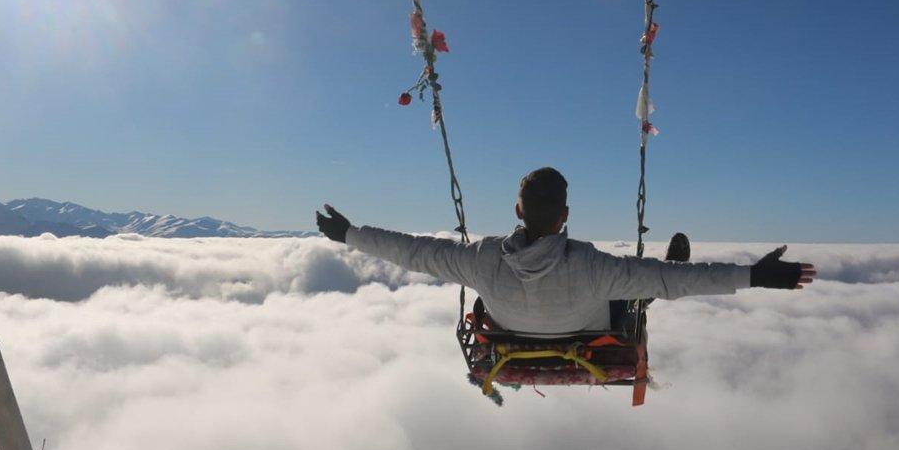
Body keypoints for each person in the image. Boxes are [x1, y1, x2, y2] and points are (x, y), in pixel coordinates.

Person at [315, 167, 816, 335]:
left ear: (517, 210)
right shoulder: (591, 265)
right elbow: (677, 282)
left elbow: (414, 252)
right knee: (646, 287)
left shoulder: (482, 259)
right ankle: (637, 296)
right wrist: (755, 275)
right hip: (587, 324)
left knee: (644, 282)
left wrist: (351, 235)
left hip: (512, 327)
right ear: (565, 216)